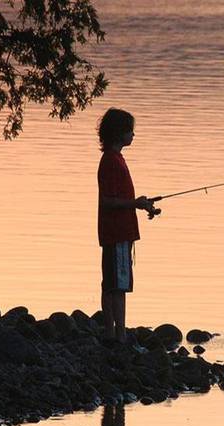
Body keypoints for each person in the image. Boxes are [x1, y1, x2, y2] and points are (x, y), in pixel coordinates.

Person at [96, 108, 154, 345]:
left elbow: (117, 198)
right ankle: (117, 335)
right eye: (130, 130)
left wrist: (141, 204)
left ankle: (114, 333)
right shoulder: (110, 161)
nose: (133, 135)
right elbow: (107, 201)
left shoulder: (116, 159)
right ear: (119, 133)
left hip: (120, 232)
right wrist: (135, 203)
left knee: (114, 283)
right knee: (117, 286)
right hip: (116, 232)